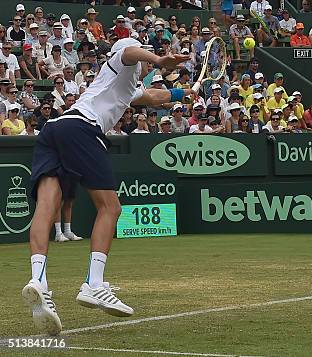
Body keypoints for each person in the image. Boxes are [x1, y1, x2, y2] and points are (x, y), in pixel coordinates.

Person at [23, 38, 190, 335]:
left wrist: (182, 92)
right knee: (111, 207)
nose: (142, 64)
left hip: (55, 131)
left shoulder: (122, 86)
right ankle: (94, 284)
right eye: (142, 61)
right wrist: (159, 59)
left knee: (48, 205)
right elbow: (128, 52)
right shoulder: (121, 63)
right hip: (83, 129)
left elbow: (150, 97)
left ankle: (38, 280)